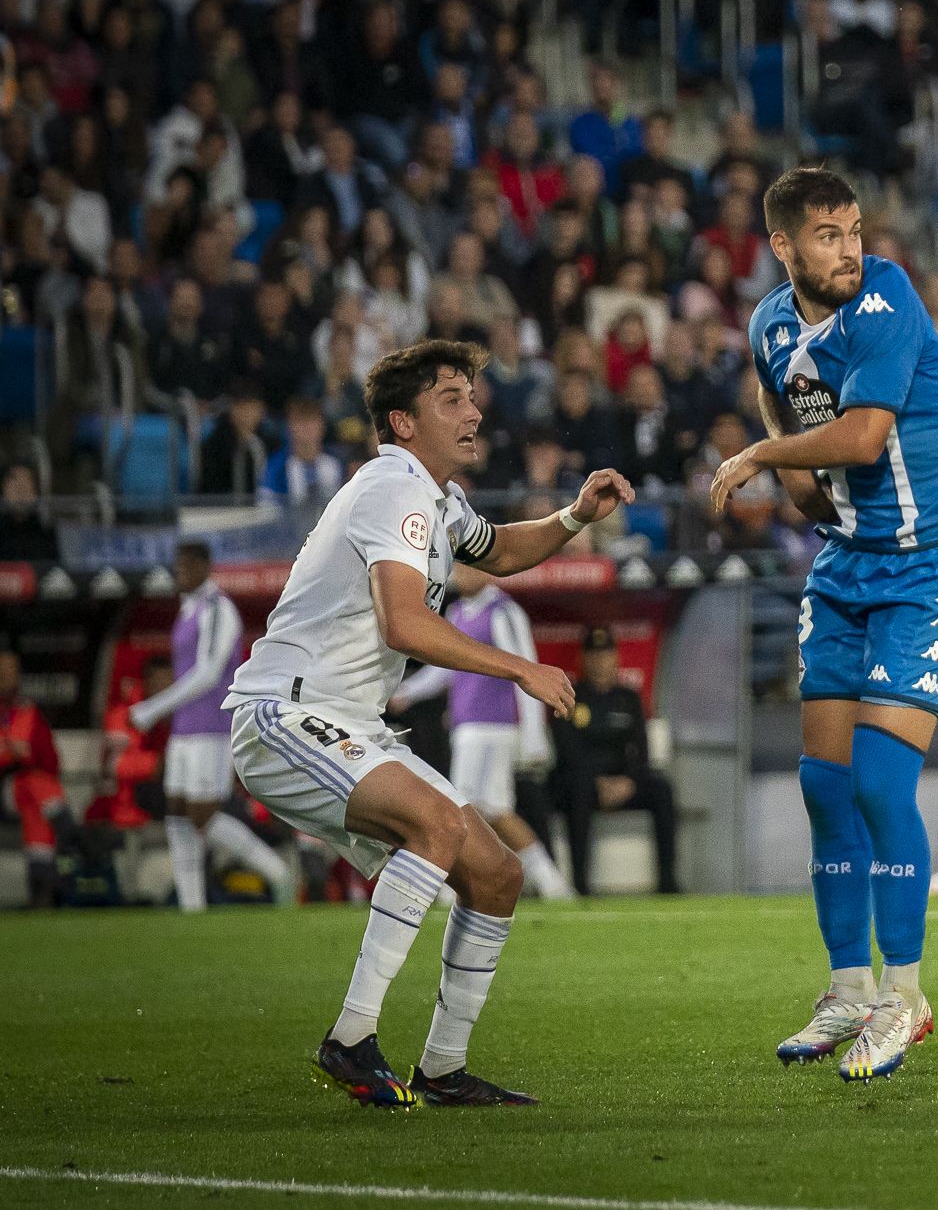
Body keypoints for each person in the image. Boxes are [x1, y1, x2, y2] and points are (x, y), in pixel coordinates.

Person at [221, 339, 634, 1108]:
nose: (475, 411)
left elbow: (501, 550)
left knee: (498, 871)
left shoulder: (438, 500)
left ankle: (442, 1069)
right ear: (403, 422)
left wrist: (575, 513)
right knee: (439, 826)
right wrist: (520, 667)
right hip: (285, 711)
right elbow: (405, 623)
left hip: (350, 724)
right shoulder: (392, 486)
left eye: (472, 396)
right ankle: (350, 1038)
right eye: (452, 399)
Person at [713, 168, 938, 1082]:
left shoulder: (888, 296)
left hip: (932, 560)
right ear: (784, 246)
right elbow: (775, 388)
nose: (849, 248)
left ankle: (904, 999)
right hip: (845, 564)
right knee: (823, 786)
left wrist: (763, 454)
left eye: (854, 229)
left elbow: (865, 436)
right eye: (827, 235)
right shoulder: (770, 323)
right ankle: (848, 990)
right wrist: (789, 465)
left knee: (877, 780)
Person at [391, 567, 574, 901]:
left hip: (493, 726)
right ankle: (551, 883)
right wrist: (408, 692)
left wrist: (533, 737)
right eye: (457, 565)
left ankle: (450, 890)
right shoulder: (458, 613)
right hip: (466, 726)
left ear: (489, 572)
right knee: (495, 809)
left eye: (469, 565)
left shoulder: (503, 611)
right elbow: (444, 669)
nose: (461, 573)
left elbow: (527, 668)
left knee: (459, 805)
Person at [126, 541, 291, 910]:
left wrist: (153, 709)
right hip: (184, 727)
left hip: (212, 724)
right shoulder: (188, 609)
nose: (178, 574)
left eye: (185, 567)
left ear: (203, 566)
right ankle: (192, 908)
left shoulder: (218, 608)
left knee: (203, 816)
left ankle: (277, 873)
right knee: (176, 812)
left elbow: (209, 672)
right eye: (177, 566)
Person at [546, 626, 677, 897]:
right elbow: (567, 750)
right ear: (584, 659)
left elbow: (641, 748)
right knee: (578, 789)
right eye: (594, 655)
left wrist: (629, 781)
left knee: (662, 789)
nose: (600, 661)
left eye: (605, 654)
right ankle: (580, 883)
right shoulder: (571, 696)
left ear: (616, 657)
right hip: (582, 781)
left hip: (623, 781)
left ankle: (668, 882)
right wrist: (598, 783)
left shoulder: (628, 698)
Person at [0, 643, 74, 907]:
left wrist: (14, 751)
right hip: (6, 789)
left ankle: (40, 886)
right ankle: (63, 819)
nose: (8, 676)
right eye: (3, 669)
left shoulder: (27, 711)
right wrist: (12, 752)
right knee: (33, 786)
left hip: (24, 791)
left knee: (34, 802)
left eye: (13, 670)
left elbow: (51, 762)